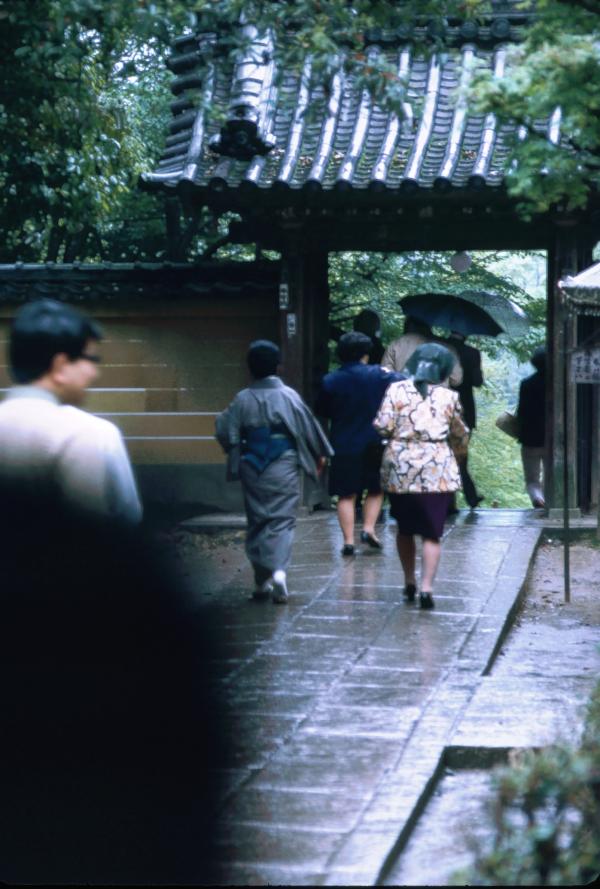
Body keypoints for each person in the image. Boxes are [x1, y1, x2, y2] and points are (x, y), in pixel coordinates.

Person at [0, 298, 142, 524]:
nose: (95, 373)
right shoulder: (89, 433)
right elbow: (126, 521)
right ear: (61, 366)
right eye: (92, 359)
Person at [215, 339, 332, 604]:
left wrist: (235, 444)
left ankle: (260, 582)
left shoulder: (242, 398)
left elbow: (224, 428)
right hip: (283, 461)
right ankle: (278, 571)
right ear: (277, 367)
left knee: (257, 518)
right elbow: (308, 426)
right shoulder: (288, 396)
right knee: (281, 519)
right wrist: (319, 455)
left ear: (250, 368)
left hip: (251, 462)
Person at [373, 343, 469, 609]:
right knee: (432, 533)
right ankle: (427, 588)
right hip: (437, 470)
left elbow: (382, 426)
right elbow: (460, 434)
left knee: (405, 529)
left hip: (401, 468)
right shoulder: (449, 396)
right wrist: (457, 456)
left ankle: (409, 581)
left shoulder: (395, 390)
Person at [316, 332, 404, 555]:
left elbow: (322, 410)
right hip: (375, 442)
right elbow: (403, 383)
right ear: (367, 353)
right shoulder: (380, 376)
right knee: (375, 489)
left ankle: (348, 541)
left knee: (346, 494)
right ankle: (368, 529)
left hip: (343, 443)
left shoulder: (331, 380)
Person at [445, 330, 484, 509]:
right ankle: (469, 496)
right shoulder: (472, 353)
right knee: (461, 455)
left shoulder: (439, 347)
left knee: (442, 454)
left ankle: (450, 501)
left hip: (439, 406)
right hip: (465, 408)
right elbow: (477, 381)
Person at [382, 314, 463, 388]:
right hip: (436, 401)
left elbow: (385, 374)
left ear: (409, 324)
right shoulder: (448, 348)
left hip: (402, 400)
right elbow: (456, 380)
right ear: (430, 325)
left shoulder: (398, 343)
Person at [516, 345, 546, 508]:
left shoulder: (526, 384)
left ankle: (537, 498)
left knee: (532, 477)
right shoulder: (559, 384)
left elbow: (521, 411)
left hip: (530, 437)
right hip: (553, 438)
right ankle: (549, 500)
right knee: (551, 475)